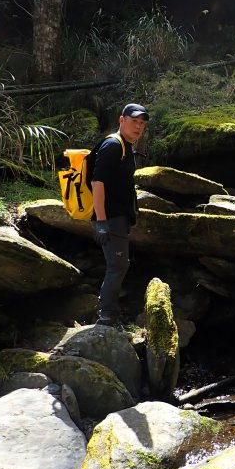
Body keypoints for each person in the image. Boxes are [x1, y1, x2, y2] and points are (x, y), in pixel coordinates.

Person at [91, 103, 147, 326]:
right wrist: (101, 221)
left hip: (118, 217)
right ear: (122, 120)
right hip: (110, 218)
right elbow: (97, 183)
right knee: (118, 265)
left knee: (118, 264)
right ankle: (107, 315)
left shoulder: (126, 146)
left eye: (142, 123)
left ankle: (109, 310)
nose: (138, 127)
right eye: (134, 121)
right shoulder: (113, 146)